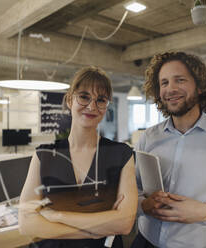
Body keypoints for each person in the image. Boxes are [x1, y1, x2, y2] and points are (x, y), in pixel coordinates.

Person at [131, 52, 206, 248]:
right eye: (164, 83)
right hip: (144, 241)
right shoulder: (148, 137)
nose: (171, 89)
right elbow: (133, 189)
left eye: (180, 80)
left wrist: (203, 211)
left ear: (200, 86)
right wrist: (143, 204)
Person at [19, 66, 138, 248]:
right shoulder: (44, 155)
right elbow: (27, 223)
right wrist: (97, 229)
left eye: (101, 100)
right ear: (69, 100)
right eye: (84, 97)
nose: (91, 106)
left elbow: (125, 223)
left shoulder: (121, 154)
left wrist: (58, 216)